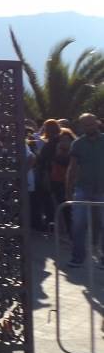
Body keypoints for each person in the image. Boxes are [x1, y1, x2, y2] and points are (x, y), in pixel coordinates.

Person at [66, 113, 104, 268]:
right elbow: (72, 167)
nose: (89, 127)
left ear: (97, 123)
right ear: (81, 126)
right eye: (86, 125)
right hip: (83, 188)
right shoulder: (77, 144)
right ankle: (78, 256)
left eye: (91, 124)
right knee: (79, 223)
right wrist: (68, 190)